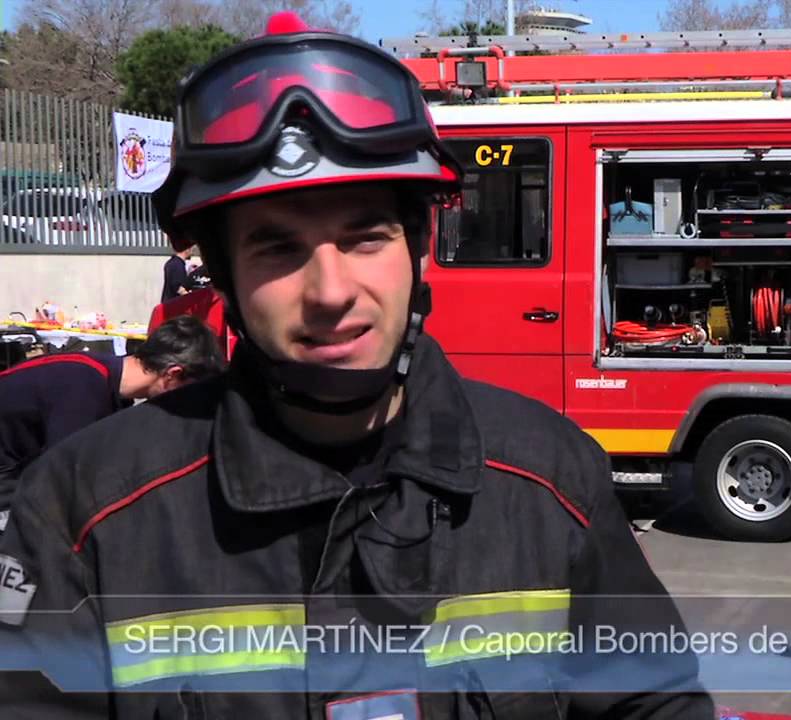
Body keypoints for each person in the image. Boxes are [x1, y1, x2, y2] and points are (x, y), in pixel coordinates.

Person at [0, 14, 712, 719]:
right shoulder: (80, 510)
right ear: (224, 276)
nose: (332, 292)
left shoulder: (553, 478)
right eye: (278, 250)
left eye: (365, 238)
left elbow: (655, 703)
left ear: (417, 249)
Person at [0, 315, 224, 533]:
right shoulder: (83, 391)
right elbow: (62, 483)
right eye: (189, 392)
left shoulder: (107, 382)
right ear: (173, 375)